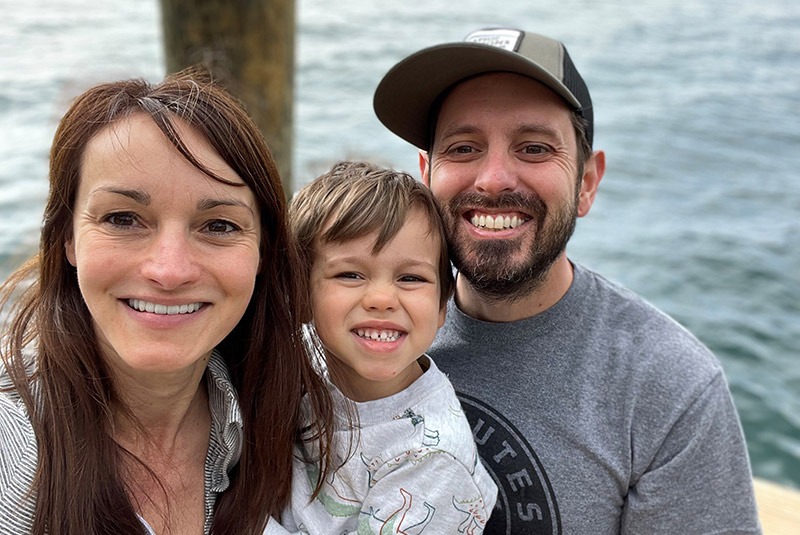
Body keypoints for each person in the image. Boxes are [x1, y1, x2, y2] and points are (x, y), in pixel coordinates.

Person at [373, 28, 761, 534]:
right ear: (426, 175)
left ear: (586, 183)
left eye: (534, 148)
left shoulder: (669, 388)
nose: (493, 179)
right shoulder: (363, 327)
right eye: (463, 148)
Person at [0, 68, 334, 534]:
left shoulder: (290, 408)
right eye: (122, 219)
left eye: (219, 226)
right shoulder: (12, 442)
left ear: (263, 252)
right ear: (67, 240)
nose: (169, 270)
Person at [267, 161, 497, 534]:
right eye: (350, 274)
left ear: (442, 306)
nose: (381, 299)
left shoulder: (431, 458)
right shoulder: (302, 353)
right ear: (301, 294)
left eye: (410, 278)